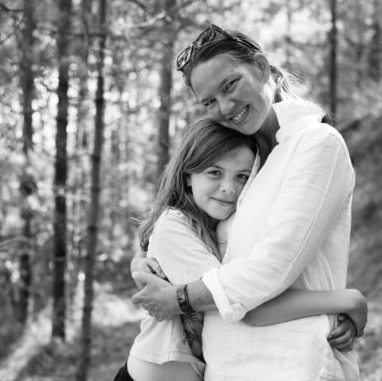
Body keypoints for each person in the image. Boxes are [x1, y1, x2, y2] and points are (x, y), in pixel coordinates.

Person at [131, 24, 363, 380]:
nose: (225, 107)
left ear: (261, 66)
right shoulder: (245, 161)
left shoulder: (316, 144)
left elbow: (269, 270)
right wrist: (146, 260)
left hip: (293, 362)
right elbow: (198, 235)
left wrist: (179, 297)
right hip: (227, 367)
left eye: (230, 85)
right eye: (209, 101)